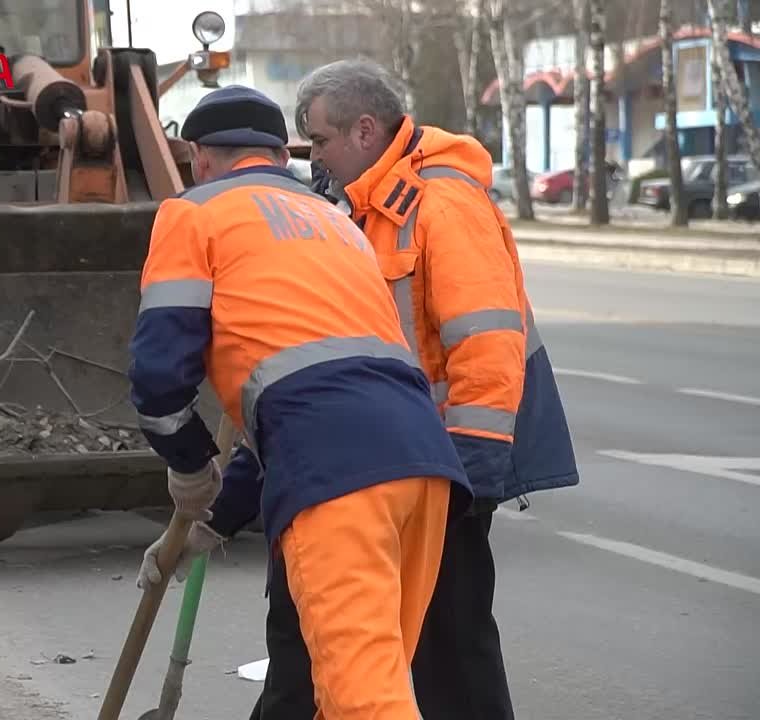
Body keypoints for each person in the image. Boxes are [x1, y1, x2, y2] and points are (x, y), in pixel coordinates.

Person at [229, 58, 582, 720]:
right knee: (334, 646)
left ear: (365, 130)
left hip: (443, 463)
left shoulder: (441, 204)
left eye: (321, 141)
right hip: (379, 460)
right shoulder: (359, 210)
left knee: (450, 654)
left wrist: (474, 464)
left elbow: (487, 339)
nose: (316, 160)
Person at [127, 85, 473, 720]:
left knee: (361, 701)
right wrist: (213, 518)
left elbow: (158, 377)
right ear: (278, 155)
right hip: (423, 466)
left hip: (336, 480)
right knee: (362, 682)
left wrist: (187, 467)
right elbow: (314, 389)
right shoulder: (338, 224)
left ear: (200, 158)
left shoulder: (194, 212)